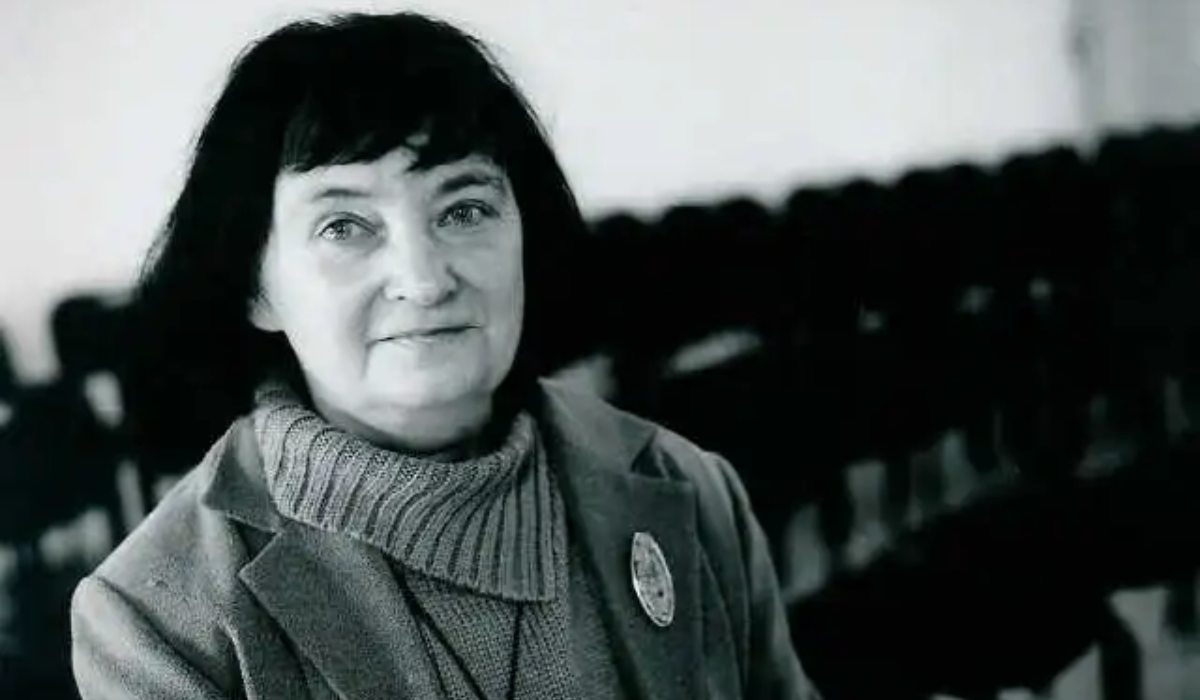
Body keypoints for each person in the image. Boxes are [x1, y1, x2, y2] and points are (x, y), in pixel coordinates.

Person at [70, 12, 819, 699]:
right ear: (254, 287)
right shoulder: (155, 622)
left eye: (465, 210)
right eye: (344, 226)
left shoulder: (691, 490)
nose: (425, 280)